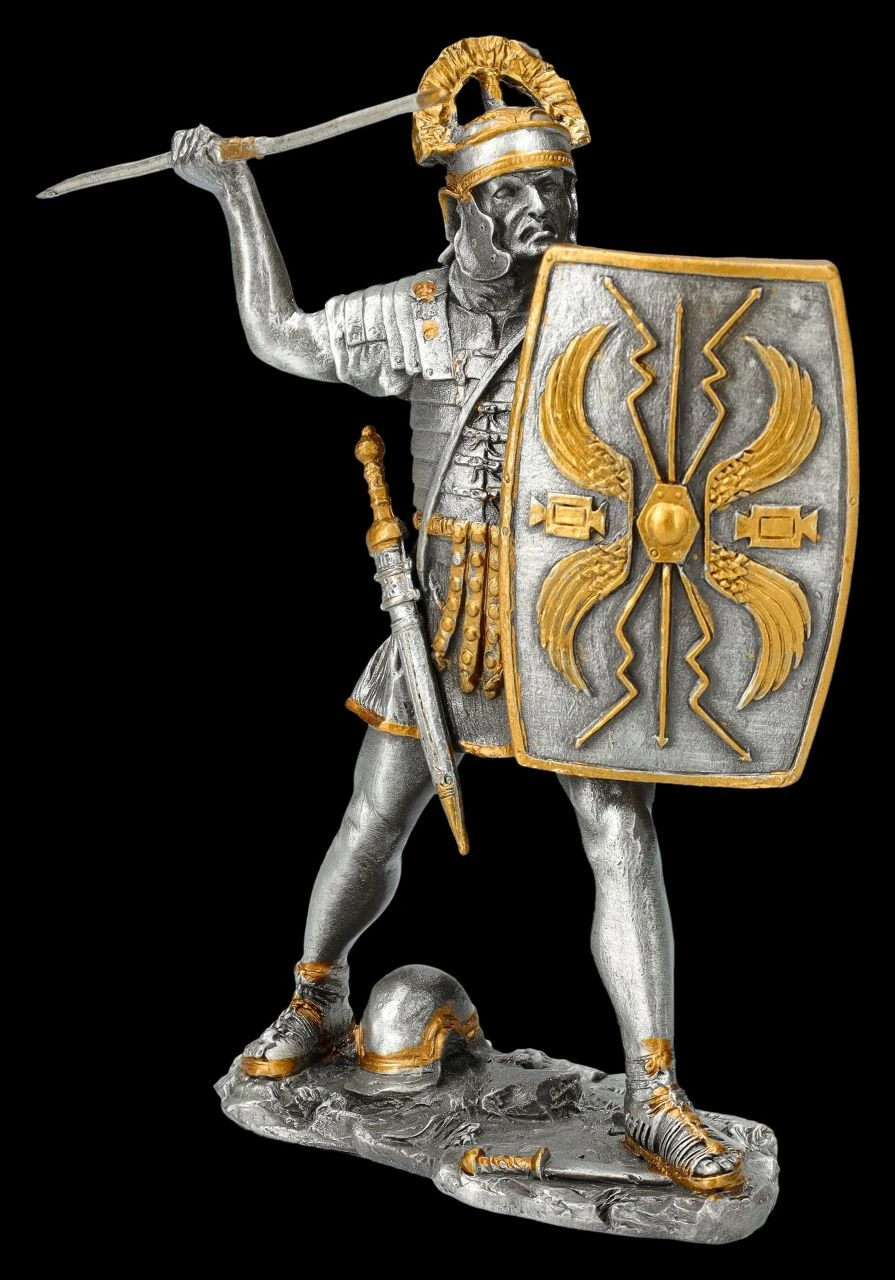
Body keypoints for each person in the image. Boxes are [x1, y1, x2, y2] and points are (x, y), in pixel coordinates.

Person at [171, 36, 743, 1193]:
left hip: (572, 619)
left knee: (619, 831)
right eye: (513, 192)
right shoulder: (414, 315)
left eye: (557, 187)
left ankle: (653, 1091)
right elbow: (280, 337)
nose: (545, 210)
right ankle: (317, 993)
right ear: (457, 208)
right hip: (442, 623)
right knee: (375, 817)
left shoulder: (608, 314)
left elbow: (696, 452)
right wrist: (236, 197)